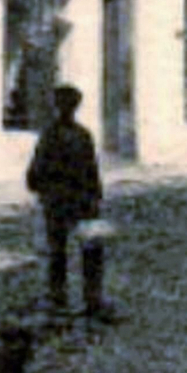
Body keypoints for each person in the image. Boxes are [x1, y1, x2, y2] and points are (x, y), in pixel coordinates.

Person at [25, 84, 113, 323]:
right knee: (90, 251)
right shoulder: (82, 135)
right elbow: (92, 172)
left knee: (58, 252)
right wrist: (95, 199)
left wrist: (44, 189)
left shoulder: (49, 135)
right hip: (81, 201)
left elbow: (34, 174)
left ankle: (59, 298)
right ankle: (92, 298)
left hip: (57, 201)